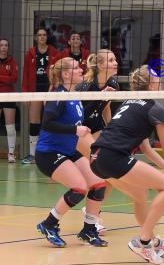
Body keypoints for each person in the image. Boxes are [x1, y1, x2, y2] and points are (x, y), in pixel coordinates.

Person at [90, 65, 164, 265]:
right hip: (113, 157)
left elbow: (148, 150)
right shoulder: (155, 108)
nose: (161, 80)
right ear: (150, 84)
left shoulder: (129, 103)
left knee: (141, 195)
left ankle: (155, 242)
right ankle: (144, 242)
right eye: (157, 77)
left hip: (96, 159)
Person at [35, 57, 108, 248]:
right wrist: (74, 131)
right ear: (66, 74)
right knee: (79, 188)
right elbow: (47, 123)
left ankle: (89, 230)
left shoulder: (73, 95)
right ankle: (49, 224)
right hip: (49, 153)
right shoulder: (58, 95)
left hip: (68, 150)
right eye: (76, 68)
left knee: (99, 184)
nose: (81, 70)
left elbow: (87, 111)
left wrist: (103, 96)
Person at [75, 49, 120, 234]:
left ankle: (93, 211)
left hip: (97, 127)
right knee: (100, 172)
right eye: (111, 60)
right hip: (80, 131)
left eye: (115, 59)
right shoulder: (86, 86)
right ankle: (91, 217)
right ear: (100, 65)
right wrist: (99, 97)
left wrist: (112, 130)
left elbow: (106, 108)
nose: (116, 62)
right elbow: (80, 115)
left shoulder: (113, 83)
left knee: (110, 173)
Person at [22, 27, 58, 164]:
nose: (42, 37)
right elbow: (25, 74)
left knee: (50, 121)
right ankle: (32, 154)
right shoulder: (30, 53)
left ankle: (51, 153)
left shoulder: (54, 52)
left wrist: (53, 87)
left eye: (44, 35)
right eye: (39, 35)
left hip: (50, 90)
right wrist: (25, 94)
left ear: (46, 37)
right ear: (36, 38)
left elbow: (57, 72)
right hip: (35, 89)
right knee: (34, 121)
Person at [0, 38, 18, 163]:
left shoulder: (12, 61)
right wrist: (6, 77)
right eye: (1, 45)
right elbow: (9, 77)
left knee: (10, 127)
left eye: (6, 45)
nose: (4, 47)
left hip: (8, 95)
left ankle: (11, 153)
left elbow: (14, 79)